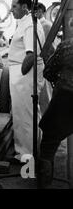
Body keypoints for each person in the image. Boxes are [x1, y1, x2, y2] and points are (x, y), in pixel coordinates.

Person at [8, 0, 46, 161]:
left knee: (25, 116)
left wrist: (21, 76)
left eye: (14, 6)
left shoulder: (30, 25)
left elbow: (31, 55)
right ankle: (30, 153)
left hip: (25, 74)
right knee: (25, 114)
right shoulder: (24, 23)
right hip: (21, 73)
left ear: (25, 7)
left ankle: (27, 159)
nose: (11, 10)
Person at [38, 38, 73, 188]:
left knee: (49, 139)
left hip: (67, 97)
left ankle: (44, 183)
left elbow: (48, 72)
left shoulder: (67, 45)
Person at [35, 2, 53, 115]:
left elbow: (49, 47)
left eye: (35, 11)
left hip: (44, 62)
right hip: (41, 63)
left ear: (40, 11)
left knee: (45, 96)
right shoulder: (39, 24)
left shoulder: (45, 25)